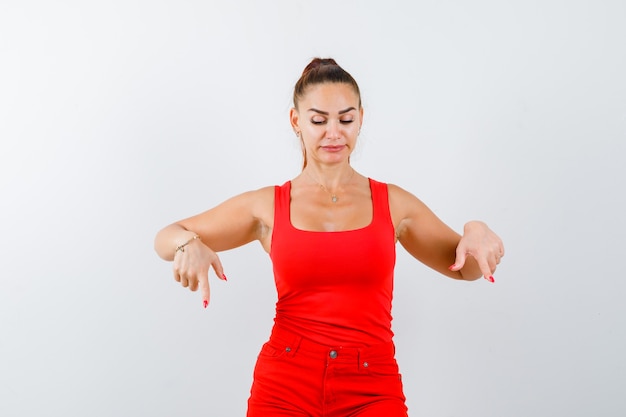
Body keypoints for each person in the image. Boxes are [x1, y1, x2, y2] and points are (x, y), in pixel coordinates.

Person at [154, 58, 504, 417]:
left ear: (361, 119)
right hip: (285, 384)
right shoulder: (267, 205)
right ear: (296, 121)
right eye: (319, 120)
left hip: (372, 386)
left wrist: (474, 229)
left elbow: (465, 269)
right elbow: (167, 236)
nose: (334, 133)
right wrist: (188, 243)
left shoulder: (394, 204)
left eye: (346, 120)